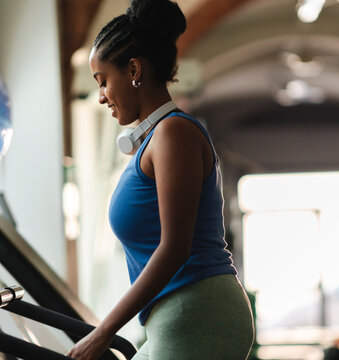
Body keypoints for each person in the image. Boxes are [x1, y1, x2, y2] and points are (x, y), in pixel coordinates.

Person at [67, 0, 254, 359]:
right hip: (179, 314)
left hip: (198, 313)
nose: (102, 95)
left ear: (134, 69)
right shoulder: (156, 139)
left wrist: (102, 333)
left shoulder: (172, 136)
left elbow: (174, 250)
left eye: (103, 80)